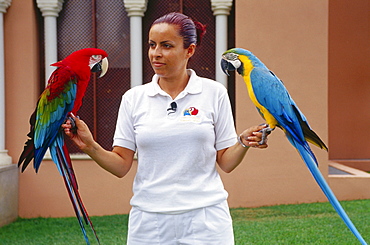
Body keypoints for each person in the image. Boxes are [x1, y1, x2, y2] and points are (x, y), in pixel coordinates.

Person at [63, 12, 269, 245]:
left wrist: (242, 142)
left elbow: (226, 162)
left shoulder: (214, 93)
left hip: (206, 221)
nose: (156, 53)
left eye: (167, 46)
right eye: (152, 45)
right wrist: (90, 146)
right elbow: (121, 165)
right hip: (149, 224)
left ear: (189, 50)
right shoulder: (134, 98)